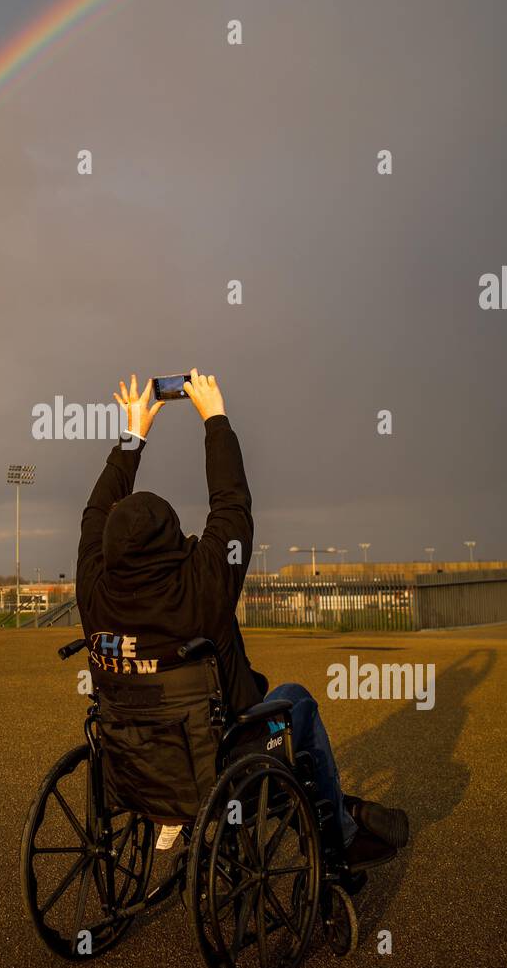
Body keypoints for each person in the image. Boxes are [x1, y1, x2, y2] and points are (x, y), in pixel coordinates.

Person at [75, 370, 408, 864]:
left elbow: (95, 509)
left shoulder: (92, 588)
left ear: (106, 547)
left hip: (133, 763)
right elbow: (232, 504)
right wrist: (215, 419)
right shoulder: (203, 583)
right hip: (219, 757)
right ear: (172, 539)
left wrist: (134, 433)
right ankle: (338, 831)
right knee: (296, 700)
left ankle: (172, 815)